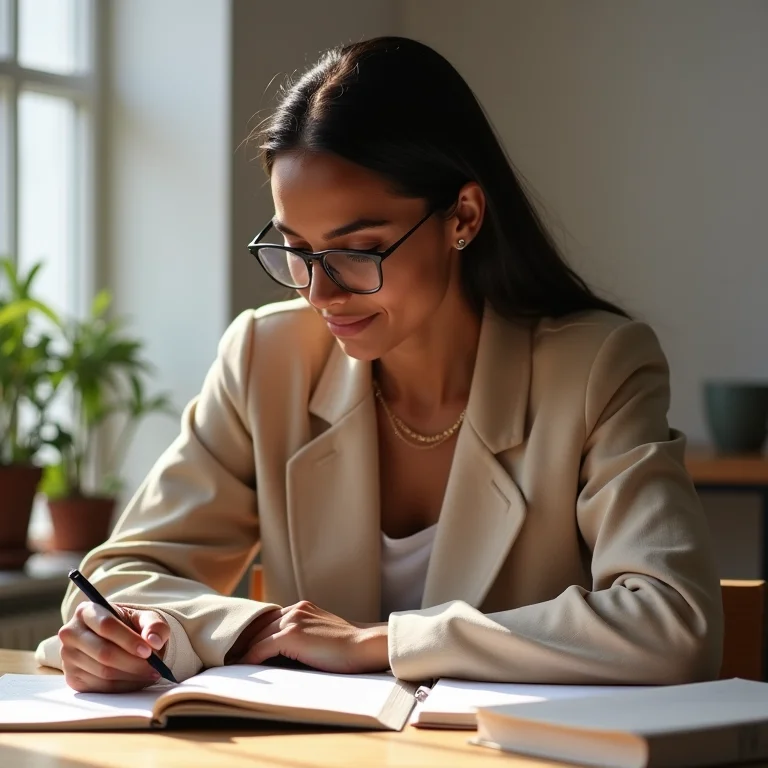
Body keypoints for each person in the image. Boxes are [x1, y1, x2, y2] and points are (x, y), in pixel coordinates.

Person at [37, 36, 723, 693]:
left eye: (356, 250)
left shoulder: (598, 368)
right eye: (295, 249)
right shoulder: (265, 359)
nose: (319, 291)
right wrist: (211, 632)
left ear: (464, 216)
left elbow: (674, 621)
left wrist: (382, 643)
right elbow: (124, 574)